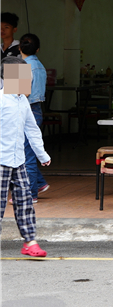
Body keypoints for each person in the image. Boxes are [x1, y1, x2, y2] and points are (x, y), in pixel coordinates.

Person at [1, 57, 50, 258]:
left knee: (25, 202)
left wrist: (42, 154)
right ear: (8, 79)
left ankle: (30, 241)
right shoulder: (2, 100)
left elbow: (32, 129)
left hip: (18, 161)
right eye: (24, 80)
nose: (28, 83)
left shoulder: (23, 102)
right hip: (1, 160)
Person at [18, 34, 49, 200]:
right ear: (37, 49)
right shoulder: (40, 66)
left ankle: (30, 194)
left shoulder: (19, 66)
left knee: (25, 155)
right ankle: (38, 183)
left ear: (19, 47)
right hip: (36, 110)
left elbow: (18, 94)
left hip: (23, 111)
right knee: (28, 150)